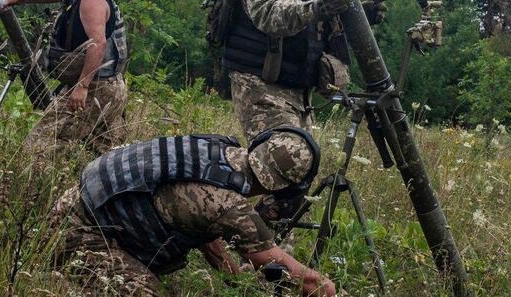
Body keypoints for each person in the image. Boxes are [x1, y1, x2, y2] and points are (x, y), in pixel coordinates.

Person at [222, 0, 388, 222]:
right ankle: (209, 200)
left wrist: (354, 15)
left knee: (291, 186)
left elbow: (318, 16)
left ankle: (272, 265)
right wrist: (318, 9)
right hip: (262, 87)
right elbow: (268, 12)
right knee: (288, 164)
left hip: (295, 89)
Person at [46, 127, 344, 297]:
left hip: (67, 210)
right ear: (284, 188)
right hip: (78, 241)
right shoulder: (232, 208)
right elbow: (302, 280)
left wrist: (234, 278)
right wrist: (330, 289)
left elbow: (205, 229)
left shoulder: (215, 148)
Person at [2, 0, 128, 158]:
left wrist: (82, 86)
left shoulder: (91, 1)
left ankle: (36, 190)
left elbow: (98, 44)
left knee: (39, 146)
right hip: (111, 86)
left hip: (96, 88)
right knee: (102, 155)